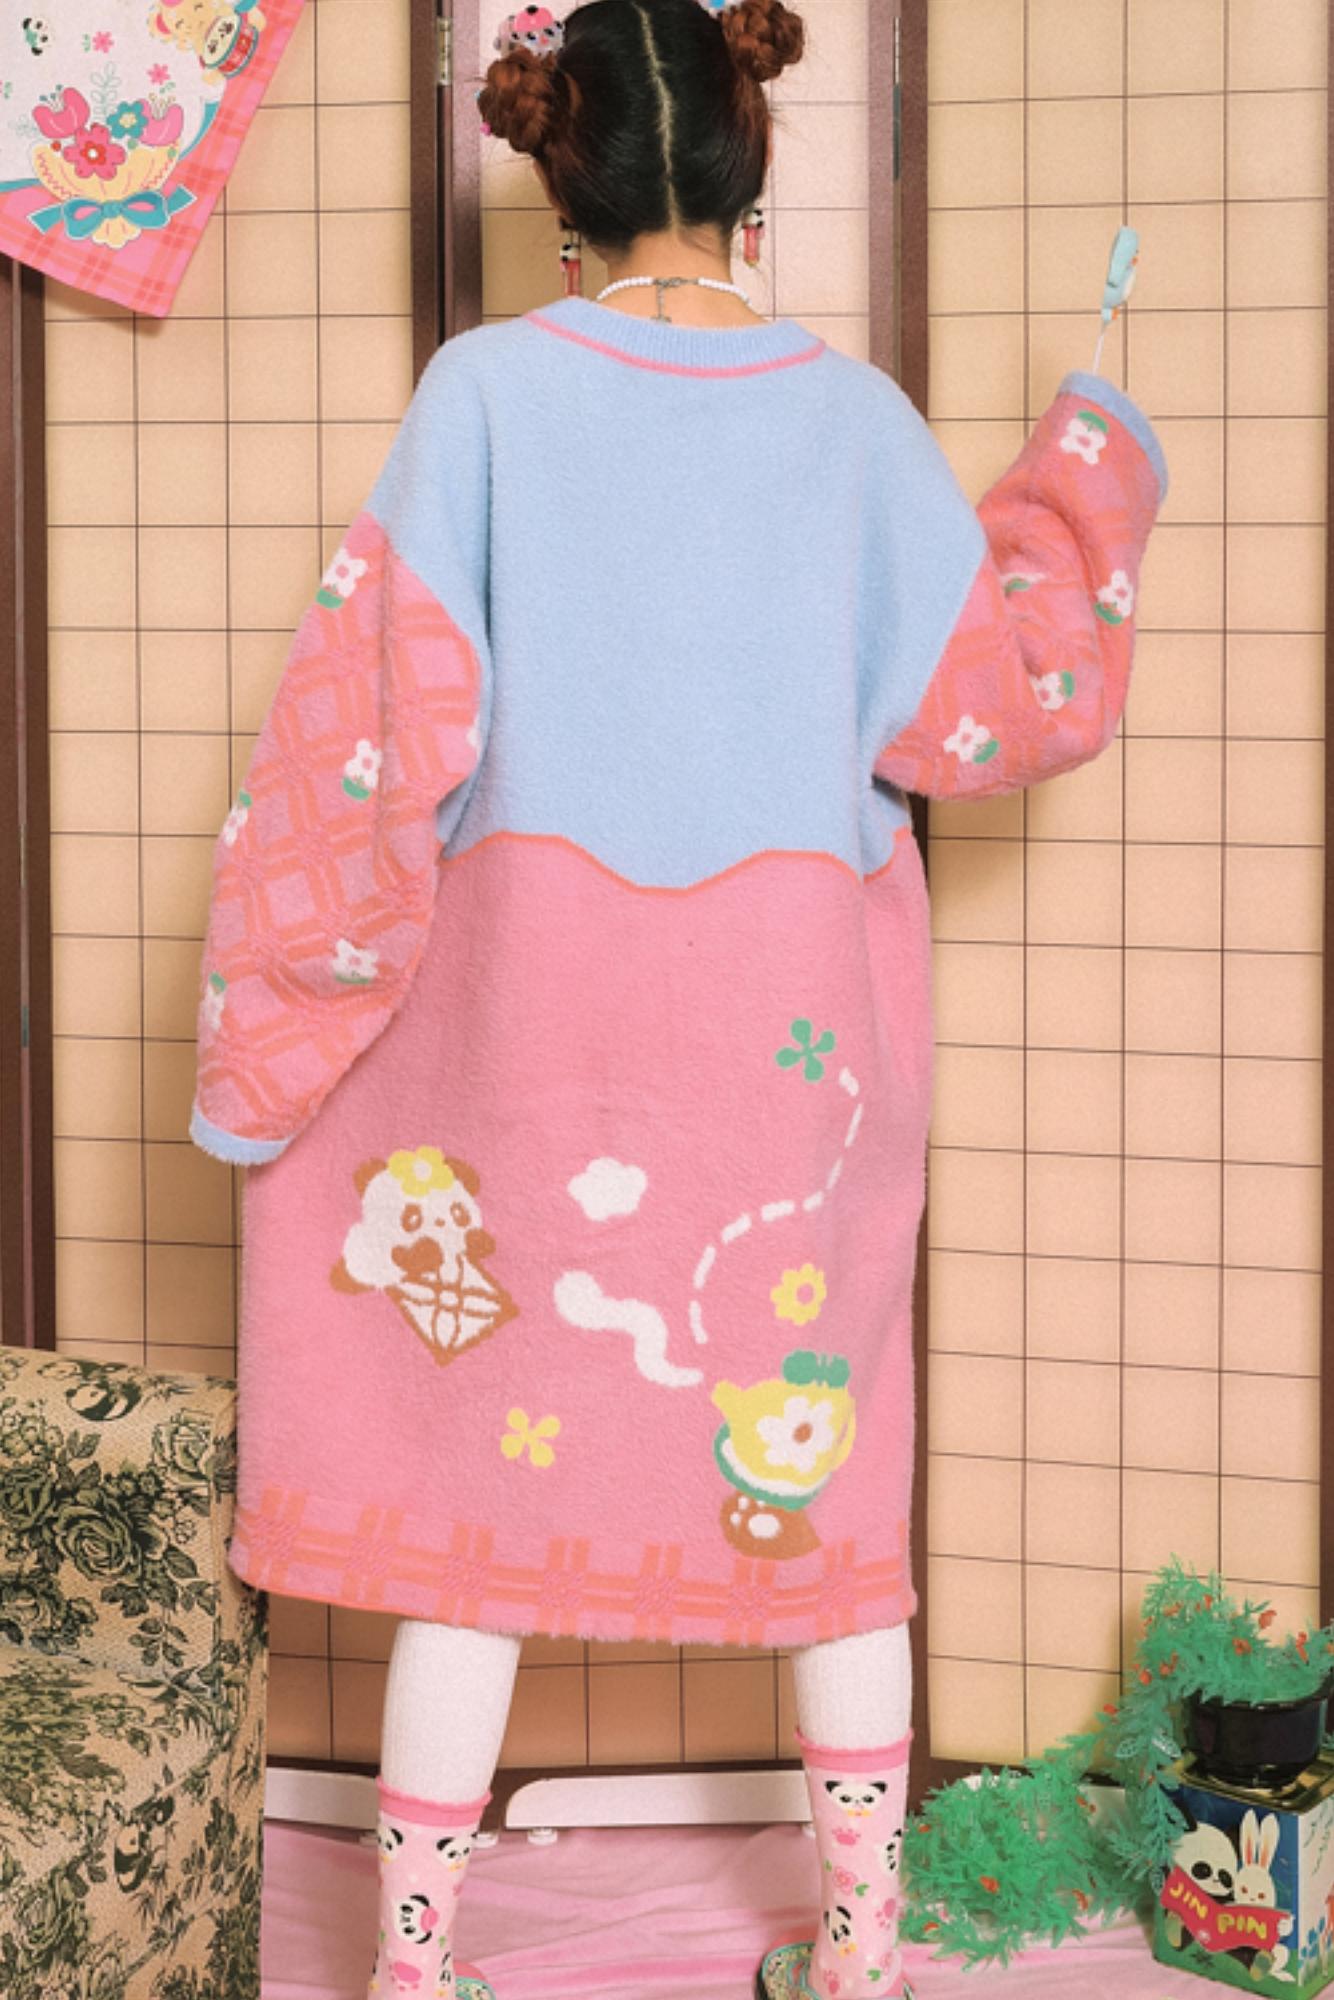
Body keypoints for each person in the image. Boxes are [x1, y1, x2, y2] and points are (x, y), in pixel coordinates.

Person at [187, 0, 1169, 1994]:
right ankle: (862, 1955)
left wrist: (274, 1017)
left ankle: (413, 1967)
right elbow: (990, 710)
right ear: (752, 166)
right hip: (787, 1051)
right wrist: (1068, 489)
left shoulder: (482, 394)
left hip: (524, 1035)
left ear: (563, 181)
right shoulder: (859, 420)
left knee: (465, 1493)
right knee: (827, 1479)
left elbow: (368, 737)